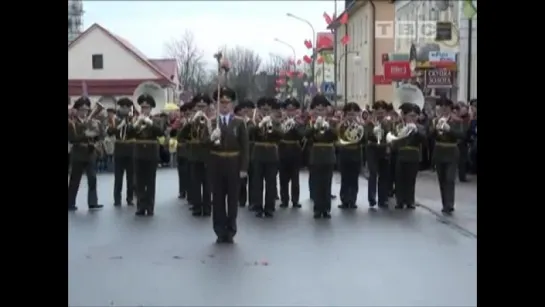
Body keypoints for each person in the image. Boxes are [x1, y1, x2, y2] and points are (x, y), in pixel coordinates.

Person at [208, 86, 249, 243]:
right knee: (217, 200)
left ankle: (231, 230)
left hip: (233, 165)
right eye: (221, 102)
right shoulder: (212, 123)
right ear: (217, 104)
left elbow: (245, 147)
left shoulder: (239, 123)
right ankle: (219, 230)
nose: (224, 106)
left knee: (232, 200)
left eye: (227, 103)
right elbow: (204, 145)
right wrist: (211, 138)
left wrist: (244, 168)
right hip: (217, 165)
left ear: (232, 104)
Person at [67, 97, 104, 211]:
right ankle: (70, 203)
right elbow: (72, 139)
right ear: (77, 110)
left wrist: (96, 133)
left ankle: (93, 202)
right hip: (78, 153)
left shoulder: (92, 122)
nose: (85, 112)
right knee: (75, 180)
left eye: (87, 110)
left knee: (92, 178)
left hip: (90, 152)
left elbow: (99, 136)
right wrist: (86, 134)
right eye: (82, 110)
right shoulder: (72, 123)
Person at [179, 94, 213, 217]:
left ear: (208, 107)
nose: (201, 109)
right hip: (194, 156)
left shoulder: (213, 120)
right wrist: (190, 123)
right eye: (199, 106)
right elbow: (180, 138)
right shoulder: (191, 122)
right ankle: (197, 207)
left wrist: (208, 123)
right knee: (195, 182)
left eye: (203, 106)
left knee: (208, 183)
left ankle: (207, 207)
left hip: (208, 156)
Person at [387, 103, 426, 209]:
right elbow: (394, 141)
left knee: (411, 180)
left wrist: (416, 131)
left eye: (415, 116)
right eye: (410, 115)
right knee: (399, 179)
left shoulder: (420, 127)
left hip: (413, 155)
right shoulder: (399, 127)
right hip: (401, 155)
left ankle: (410, 201)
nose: (412, 118)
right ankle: (399, 201)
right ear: (405, 116)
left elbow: (425, 139)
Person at [249, 97, 282, 218]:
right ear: (259, 110)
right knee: (257, 182)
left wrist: (272, 122)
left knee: (271, 182)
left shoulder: (276, 121)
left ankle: (269, 207)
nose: (266, 113)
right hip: (258, 153)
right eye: (264, 110)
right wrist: (259, 124)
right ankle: (257, 206)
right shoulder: (254, 121)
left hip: (272, 154)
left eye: (268, 110)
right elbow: (249, 132)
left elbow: (281, 134)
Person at [306, 94, 337, 219]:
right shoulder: (311, 122)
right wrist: (314, 126)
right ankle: (317, 209)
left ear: (327, 110)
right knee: (317, 183)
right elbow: (306, 135)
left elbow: (336, 135)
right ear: (313, 111)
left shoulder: (331, 122)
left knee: (327, 183)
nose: (320, 112)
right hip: (316, 155)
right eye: (317, 110)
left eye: (322, 109)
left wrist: (328, 127)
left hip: (328, 155)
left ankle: (326, 209)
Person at [431, 98, 464, 214]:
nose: (444, 109)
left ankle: (449, 204)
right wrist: (434, 129)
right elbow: (430, 136)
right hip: (439, 151)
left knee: (450, 178)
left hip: (451, 150)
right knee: (442, 179)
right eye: (442, 107)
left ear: (450, 108)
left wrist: (449, 130)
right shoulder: (435, 120)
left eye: (446, 107)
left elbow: (462, 135)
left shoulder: (456, 120)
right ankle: (445, 203)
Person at [133, 94, 164, 216]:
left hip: (151, 153)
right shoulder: (136, 119)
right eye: (142, 107)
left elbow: (160, 132)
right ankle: (140, 206)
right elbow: (130, 133)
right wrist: (136, 123)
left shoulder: (157, 120)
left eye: (147, 108)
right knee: (139, 181)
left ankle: (150, 207)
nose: (144, 110)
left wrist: (150, 122)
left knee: (150, 181)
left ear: (151, 109)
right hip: (139, 152)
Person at [365, 100, 395, 209]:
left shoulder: (390, 123)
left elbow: (392, 135)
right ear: (375, 112)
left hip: (384, 149)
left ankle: (383, 199)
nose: (380, 115)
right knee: (372, 174)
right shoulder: (369, 122)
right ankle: (372, 198)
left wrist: (385, 126)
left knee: (384, 175)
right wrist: (373, 130)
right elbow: (366, 136)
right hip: (372, 149)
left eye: (382, 112)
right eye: (378, 112)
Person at [107, 98, 136, 207]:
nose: (125, 109)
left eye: (127, 107)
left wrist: (130, 126)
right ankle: (117, 199)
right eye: (123, 107)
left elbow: (136, 132)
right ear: (120, 108)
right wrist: (119, 127)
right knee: (118, 178)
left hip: (130, 150)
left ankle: (130, 198)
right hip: (119, 150)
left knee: (131, 178)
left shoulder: (133, 119)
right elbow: (109, 132)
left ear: (129, 108)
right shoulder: (114, 119)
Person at [278, 98, 305, 209]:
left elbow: (302, 135)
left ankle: (295, 200)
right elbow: (277, 134)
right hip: (283, 150)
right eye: (288, 110)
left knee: (295, 178)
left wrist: (297, 125)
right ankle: (284, 199)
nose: (290, 112)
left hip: (295, 150)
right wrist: (281, 122)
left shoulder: (299, 122)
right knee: (283, 178)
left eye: (293, 110)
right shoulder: (280, 121)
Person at [337, 102, 365, 209]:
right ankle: (344, 199)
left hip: (356, 153)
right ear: (345, 115)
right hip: (345, 153)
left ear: (357, 115)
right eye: (349, 114)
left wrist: (362, 126)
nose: (351, 117)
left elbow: (364, 139)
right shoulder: (342, 126)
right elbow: (338, 137)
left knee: (354, 179)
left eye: (353, 114)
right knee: (344, 178)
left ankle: (352, 200)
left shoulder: (360, 127)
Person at [175, 103, 192, 200]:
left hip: (189, 149)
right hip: (181, 149)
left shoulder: (194, 121)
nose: (186, 113)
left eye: (188, 111)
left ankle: (189, 191)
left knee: (189, 172)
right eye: (184, 112)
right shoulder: (179, 121)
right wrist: (181, 124)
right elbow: (174, 133)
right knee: (181, 172)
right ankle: (182, 191)